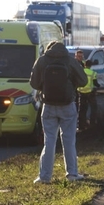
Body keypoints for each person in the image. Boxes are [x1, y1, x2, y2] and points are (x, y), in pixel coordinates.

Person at [29, 41, 87, 183]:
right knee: (69, 140)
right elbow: (83, 81)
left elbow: (33, 83)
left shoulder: (42, 60)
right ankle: (72, 174)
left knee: (49, 141)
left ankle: (44, 176)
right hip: (67, 105)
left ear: (48, 49)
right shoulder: (70, 61)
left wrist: (45, 85)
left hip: (48, 105)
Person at [78, 55, 98, 131]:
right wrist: (98, 85)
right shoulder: (93, 73)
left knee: (82, 109)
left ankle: (81, 125)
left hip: (81, 92)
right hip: (90, 93)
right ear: (90, 65)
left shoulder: (81, 72)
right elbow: (95, 83)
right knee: (93, 108)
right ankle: (92, 124)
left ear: (85, 65)